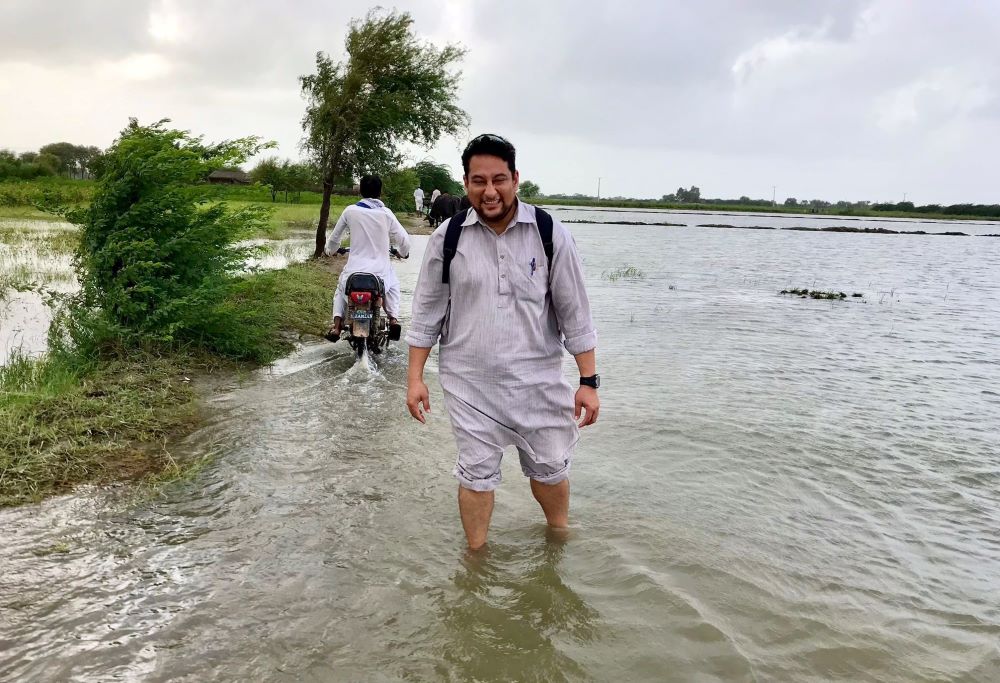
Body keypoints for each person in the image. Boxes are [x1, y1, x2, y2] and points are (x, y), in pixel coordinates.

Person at [405, 133, 599, 550]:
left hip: (538, 381)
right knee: (475, 475)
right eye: (478, 181)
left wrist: (589, 381)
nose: (489, 191)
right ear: (466, 183)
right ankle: (475, 562)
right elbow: (426, 314)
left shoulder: (549, 233)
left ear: (515, 179)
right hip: (469, 382)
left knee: (549, 468)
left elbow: (575, 313)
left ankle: (557, 542)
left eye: (498, 180)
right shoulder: (448, 237)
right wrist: (415, 378)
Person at [324, 175, 411, 340]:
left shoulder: (350, 211)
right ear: (380, 192)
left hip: (353, 274)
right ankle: (393, 320)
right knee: (393, 286)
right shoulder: (386, 214)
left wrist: (330, 251)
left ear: (360, 192)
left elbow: (334, 239)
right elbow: (405, 241)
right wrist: (403, 253)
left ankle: (336, 327)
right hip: (380, 274)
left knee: (340, 290)